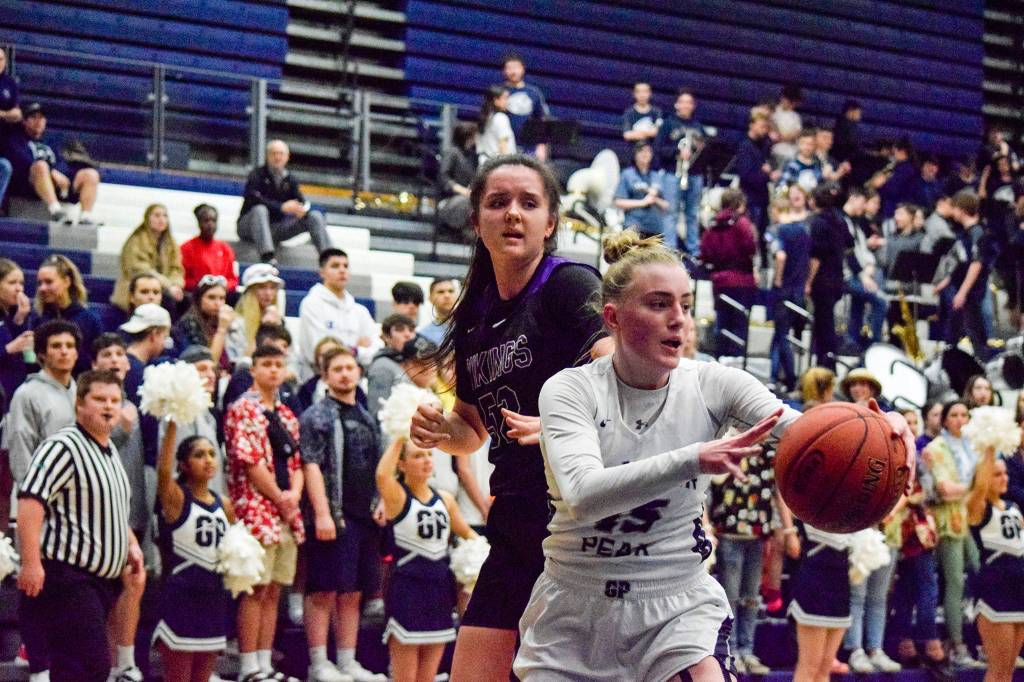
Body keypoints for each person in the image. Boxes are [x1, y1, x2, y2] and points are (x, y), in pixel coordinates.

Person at [515, 230, 916, 681]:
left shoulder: (717, 384)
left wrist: (890, 434)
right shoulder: (569, 389)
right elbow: (584, 495)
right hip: (574, 606)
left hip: (673, 604)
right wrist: (694, 458)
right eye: (659, 304)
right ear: (614, 317)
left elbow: (807, 435)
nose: (679, 320)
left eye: (686, 305)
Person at [409, 154, 611, 680]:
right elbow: (472, 432)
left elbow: (624, 379)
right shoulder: (475, 317)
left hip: (575, 520)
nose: (513, 214)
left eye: (529, 203)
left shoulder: (569, 285)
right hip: (516, 519)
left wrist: (563, 426)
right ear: (476, 222)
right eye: (498, 203)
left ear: (551, 222)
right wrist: (441, 432)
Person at [17, 369, 144, 682]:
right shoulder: (62, 446)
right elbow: (31, 502)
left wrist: (130, 543)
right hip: (68, 577)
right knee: (89, 665)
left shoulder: (110, 450)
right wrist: (31, 563)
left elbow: (111, 508)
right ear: (79, 404)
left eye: (115, 400)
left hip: (101, 581)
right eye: (100, 399)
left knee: (81, 666)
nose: (109, 406)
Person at [299, 346, 387, 682]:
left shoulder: (366, 415)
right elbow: (311, 464)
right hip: (334, 515)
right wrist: (322, 513)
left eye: (350, 368)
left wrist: (380, 500)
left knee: (353, 591)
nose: (345, 374)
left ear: (359, 372)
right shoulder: (316, 416)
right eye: (337, 369)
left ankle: (347, 661)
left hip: (364, 517)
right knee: (323, 589)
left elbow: (378, 466)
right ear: (325, 376)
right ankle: (318, 662)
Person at [226, 344, 305, 682]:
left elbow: (297, 462)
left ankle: (264, 663)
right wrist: (280, 497)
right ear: (254, 370)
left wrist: (294, 495)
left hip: (286, 509)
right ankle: (247, 666)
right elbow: (250, 462)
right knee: (255, 588)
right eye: (266, 364)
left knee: (274, 588)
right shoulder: (241, 409)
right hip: (255, 506)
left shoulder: (287, 413)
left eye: (278, 364)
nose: (273, 370)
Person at [376, 432, 477, 682]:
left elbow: (468, 534)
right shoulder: (397, 497)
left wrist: (484, 553)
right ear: (402, 464)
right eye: (418, 456)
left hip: (439, 592)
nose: (426, 460)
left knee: (428, 677)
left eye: (429, 455)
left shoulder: (446, 500)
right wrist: (399, 437)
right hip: (407, 591)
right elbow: (381, 476)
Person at [152, 418, 234, 682]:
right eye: (199, 455)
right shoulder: (177, 499)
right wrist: (173, 424)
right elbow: (163, 472)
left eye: (212, 454)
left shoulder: (225, 504)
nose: (209, 460)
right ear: (184, 465)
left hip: (214, 599)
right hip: (182, 599)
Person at [91, 333, 148, 682]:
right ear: (95, 363)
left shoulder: (134, 403)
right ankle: (108, 663)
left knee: (134, 583)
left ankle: (124, 663)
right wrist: (119, 428)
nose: (114, 359)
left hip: (133, 509)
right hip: (102, 513)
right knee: (107, 591)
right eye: (106, 354)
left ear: (128, 364)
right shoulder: (92, 404)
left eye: (119, 354)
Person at [922, 401, 984, 669]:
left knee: (983, 575)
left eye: (964, 415)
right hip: (947, 520)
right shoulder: (936, 448)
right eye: (954, 415)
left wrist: (972, 489)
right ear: (944, 420)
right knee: (955, 581)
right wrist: (975, 488)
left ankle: (981, 640)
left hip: (971, 518)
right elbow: (945, 488)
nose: (960, 419)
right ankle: (957, 644)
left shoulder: (973, 447)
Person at [966, 453, 1024, 682]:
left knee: (1009, 671)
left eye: (1005, 473)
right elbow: (979, 488)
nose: (1004, 478)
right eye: (997, 474)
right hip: (995, 591)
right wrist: (989, 449)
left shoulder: (1014, 507)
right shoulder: (979, 508)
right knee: (998, 670)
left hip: (1020, 590)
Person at [2, 321, 78, 492]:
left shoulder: (81, 392)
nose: (64, 351)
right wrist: (31, 494)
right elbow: (21, 450)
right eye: (56, 346)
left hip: (77, 493)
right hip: (42, 493)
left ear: (77, 354)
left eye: (70, 346)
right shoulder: (27, 394)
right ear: (42, 354)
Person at [3, 102, 100, 224]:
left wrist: (61, 174)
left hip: (55, 182)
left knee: (90, 174)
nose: (39, 121)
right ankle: (56, 211)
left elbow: (61, 162)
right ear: (24, 121)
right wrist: (52, 171)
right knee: (41, 166)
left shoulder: (50, 141)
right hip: (30, 184)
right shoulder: (16, 140)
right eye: (34, 117)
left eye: (42, 118)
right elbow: (22, 162)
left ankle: (86, 216)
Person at [237, 139, 331, 264]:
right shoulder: (256, 175)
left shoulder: (290, 179)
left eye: (281, 154)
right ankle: (267, 257)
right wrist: (281, 207)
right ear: (267, 156)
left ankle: (329, 258)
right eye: (274, 153)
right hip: (249, 226)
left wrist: (300, 209)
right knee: (260, 210)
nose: (277, 157)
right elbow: (252, 199)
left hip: (277, 229)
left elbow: (301, 201)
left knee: (315, 216)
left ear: (287, 157)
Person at [935, 190, 996, 361]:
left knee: (976, 335)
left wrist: (962, 292)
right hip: (962, 291)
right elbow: (961, 264)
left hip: (971, 293)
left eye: (954, 208)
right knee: (953, 332)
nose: (952, 212)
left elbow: (976, 264)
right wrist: (946, 282)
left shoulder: (977, 233)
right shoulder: (965, 234)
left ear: (961, 209)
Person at [298, 248, 379, 371]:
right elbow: (322, 353)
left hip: (355, 376)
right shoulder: (311, 305)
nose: (342, 270)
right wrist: (357, 350)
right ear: (322, 272)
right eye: (335, 266)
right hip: (317, 377)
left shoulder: (360, 311)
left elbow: (377, 349)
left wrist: (355, 351)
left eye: (345, 266)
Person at [700, 188, 757, 358]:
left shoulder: (712, 224)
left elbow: (704, 252)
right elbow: (751, 247)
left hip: (720, 280)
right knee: (739, 326)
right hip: (742, 280)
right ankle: (737, 362)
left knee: (722, 324)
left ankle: (721, 359)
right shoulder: (742, 223)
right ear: (740, 204)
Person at [654, 89, 709, 255]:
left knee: (692, 213)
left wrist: (700, 149)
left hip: (694, 174)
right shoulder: (668, 124)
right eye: (682, 101)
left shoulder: (698, 126)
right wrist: (677, 152)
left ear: (693, 106)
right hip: (673, 173)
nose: (686, 105)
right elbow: (658, 148)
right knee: (671, 212)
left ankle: (694, 250)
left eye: (689, 102)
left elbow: (705, 150)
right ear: (677, 104)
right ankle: (670, 248)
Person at [32, 254, 101, 375]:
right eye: (40, 283)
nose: (42, 288)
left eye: (49, 282)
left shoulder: (89, 320)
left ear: (66, 281)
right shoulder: (38, 319)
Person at [804, 182, 848, 370]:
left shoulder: (818, 223)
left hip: (822, 280)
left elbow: (816, 257)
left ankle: (826, 366)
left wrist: (808, 281)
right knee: (826, 324)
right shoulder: (840, 220)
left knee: (823, 326)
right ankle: (827, 363)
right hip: (836, 277)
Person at [111, 204, 186, 313]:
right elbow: (139, 269)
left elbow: (176, 268)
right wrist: (168, 285)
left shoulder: (171, 243)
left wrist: (176, 285)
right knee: (167, 300)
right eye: (157, 215)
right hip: (137, 286)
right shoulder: (136, 240)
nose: (161, 219)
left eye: (165, 216)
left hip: (164, 287)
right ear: (147, 218)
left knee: (186, 300)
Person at [770, 198, 811, 392]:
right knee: (787, 335)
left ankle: (788, 377)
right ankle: (778, 375)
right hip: (799, 289)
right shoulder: (804, 232)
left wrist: (778, 279)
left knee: (781, 335)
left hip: (784, 289)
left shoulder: (780, 231)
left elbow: (780, 255)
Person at [173, 275, 234, 371]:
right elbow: (208, 363)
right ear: (199, 298)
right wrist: (222, 330)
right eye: (211, 297)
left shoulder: (219, 320)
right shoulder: (190, 322)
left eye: (221, 298)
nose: (217, 303)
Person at [227, 263, 285, 363]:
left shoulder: (280, 322)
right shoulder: (236, 324)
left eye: (272, 288)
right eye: (262, 287)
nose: (268, 293)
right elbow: (237, 362)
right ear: (250, 291)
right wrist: (262, 329)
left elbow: (291, 359)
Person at [734, 110, 777, 239]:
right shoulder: (745, 147)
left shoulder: (764, 145)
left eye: (766, 127)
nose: (764, 130)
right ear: (752, 125)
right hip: (750, 198)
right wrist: (766, 175)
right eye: (761, 126)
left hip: (762, 197)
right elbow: (746, 174)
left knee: (763, 233)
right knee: (752, 233)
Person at [614, 141, 669, 240]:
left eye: (648, 151)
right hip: (633, 228)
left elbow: (667, 206)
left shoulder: (657, 176)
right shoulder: (627, 175)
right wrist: (642, 202)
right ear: (635, 154)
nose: (645, 154)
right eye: (641, 151)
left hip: (655, 230)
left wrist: (655, 199)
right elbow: (618, 202)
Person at [120, 303, 172, 405]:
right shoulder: (138, 373)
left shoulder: (123, 362)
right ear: (154, 334)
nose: (164, 344)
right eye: (164, 337)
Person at [499, 53, 549, 159]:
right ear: (504, 71)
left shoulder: (534, 93)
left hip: (529, 148)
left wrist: (541, 146)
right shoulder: (499, 92)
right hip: (505, 146)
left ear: (523, 69)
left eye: (516, 67)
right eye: (509, 68)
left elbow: (542, 120)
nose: (513, 71)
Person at [0, 258, 33, 416]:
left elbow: (24, 359)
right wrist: (10, 349)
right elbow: (8, 348)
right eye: (12, 283)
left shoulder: (12, 315)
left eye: (21, 283)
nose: (19, 289)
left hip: (12, 395)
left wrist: (20, 319)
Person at [180, 203, 239, 293]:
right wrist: (203, 286)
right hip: (196, 294)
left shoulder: (225, 248)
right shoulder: (186, 248)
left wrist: (223, 286)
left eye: (214, 220)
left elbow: (233, 279)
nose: (210, 224)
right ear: (199, 223)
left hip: (222, 293)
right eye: (206, 220)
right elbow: (183, 279)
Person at [366, 314, 417, 411]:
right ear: (386, 337)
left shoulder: (410, 363)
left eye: (411, 330)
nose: (407, 334)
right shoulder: (382, 366)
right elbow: (378, 412)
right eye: (400, 329)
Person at [437, 122, 478, 236]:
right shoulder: (452, 153)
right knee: (469, 201)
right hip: (449, 198)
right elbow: (443, 178)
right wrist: (462, 191)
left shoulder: (470, 156)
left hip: (466, 195)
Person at [477, 85, 515, 165]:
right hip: (498, 166)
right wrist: (508, 166)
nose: (507, 101)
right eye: (505, 98)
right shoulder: (501, 118)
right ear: (496, 100)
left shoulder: (484, 118)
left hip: (484, 163)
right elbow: (503, 147)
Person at [417, 278, 457, 345]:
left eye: (451, 291)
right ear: (430, 298)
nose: (447, 295)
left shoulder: (471, 327)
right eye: (440, 292)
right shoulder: (424, 335)